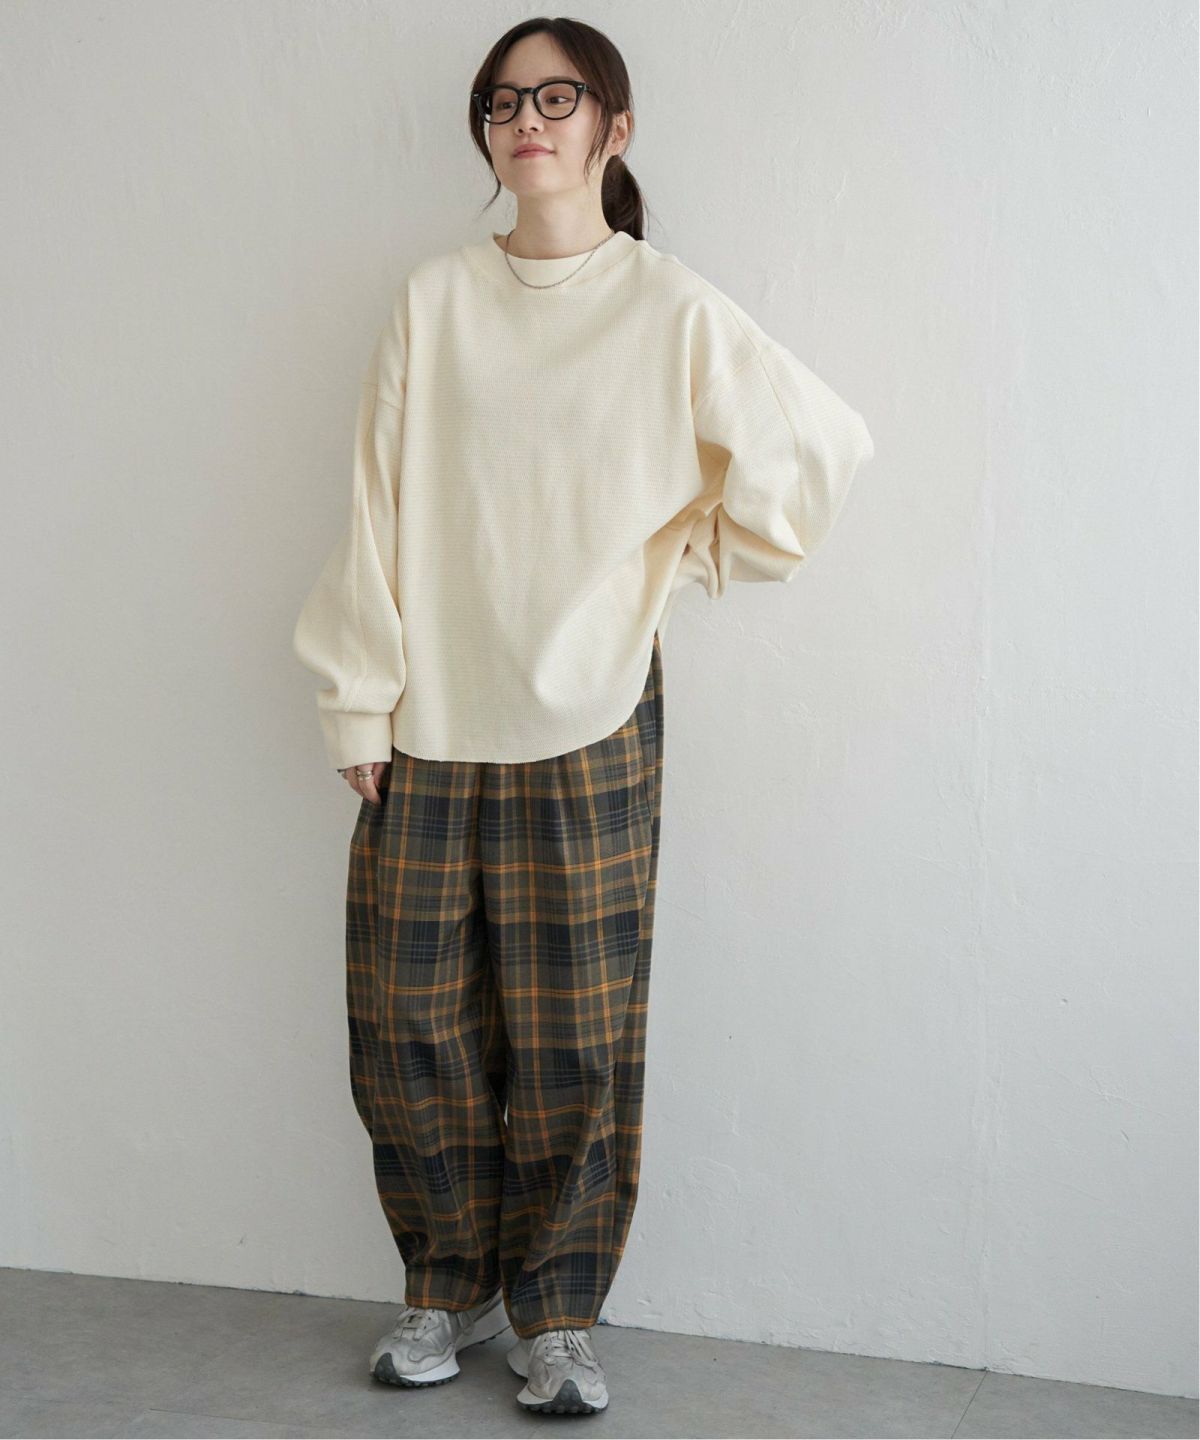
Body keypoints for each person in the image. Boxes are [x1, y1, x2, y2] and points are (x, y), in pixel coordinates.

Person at [291, 15, 875, 1419]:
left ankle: (557, 1314)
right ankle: (448, 1284)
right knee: (407, 1023)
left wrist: (688, 547)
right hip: (429, 716)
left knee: (575, 1037)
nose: (527, 122)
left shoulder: (670, 310)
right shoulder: (434, 300)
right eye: (503, 103)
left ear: (615, 128)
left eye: (557, 98)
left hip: (595, 712)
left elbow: (819, 453)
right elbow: (374, 501)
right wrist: (357, 696)